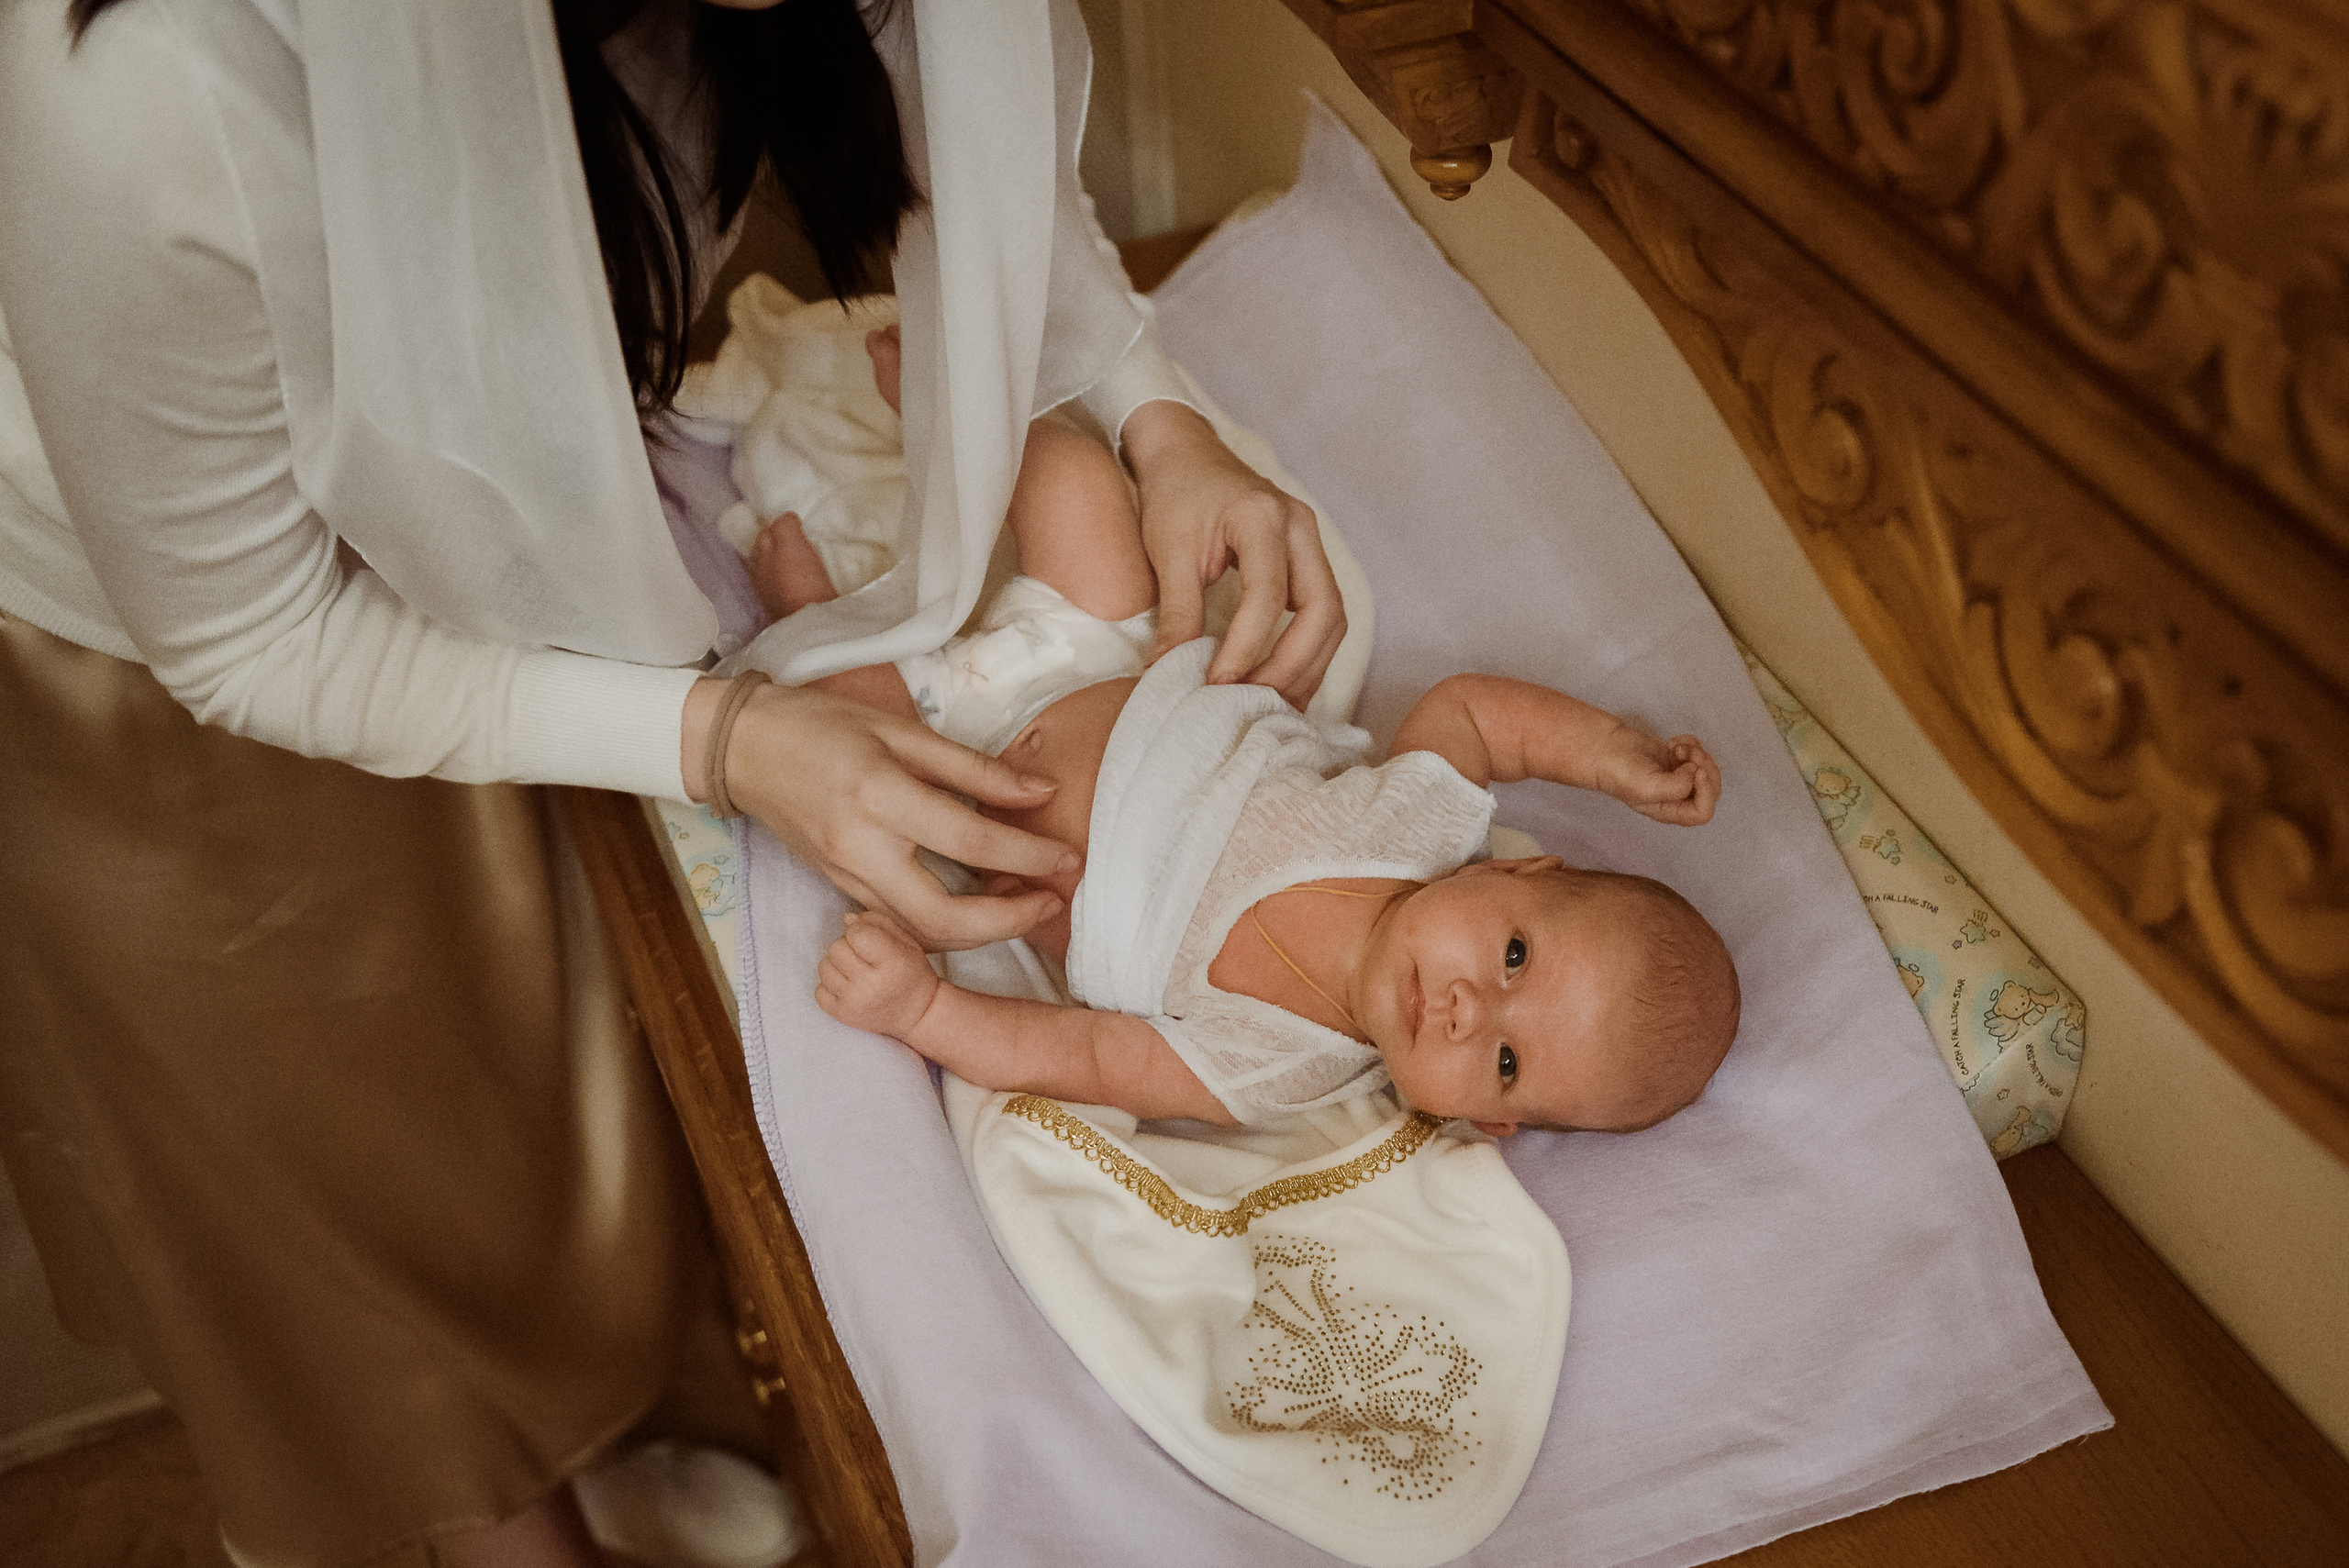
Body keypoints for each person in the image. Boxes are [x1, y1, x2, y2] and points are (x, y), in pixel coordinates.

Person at [0, 2, 1346, 1565]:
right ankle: (489, 1508)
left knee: (538, 1062)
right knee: (331, 1158)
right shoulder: (153, 87)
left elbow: (969, 135)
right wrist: (730, 735)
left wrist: (1161, 418)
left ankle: (572, 1417)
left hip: (499, 542)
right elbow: (249, 635)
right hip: (150, 641)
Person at [751, 328, 1742, 1136]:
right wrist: (1612, 753)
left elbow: (1093, 1057)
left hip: (964, 788)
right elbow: (1480, 713)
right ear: (1513, 874)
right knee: (1076, 484)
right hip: (1107, 650)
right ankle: (945, 389)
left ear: (1486, 1121)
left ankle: (801, 598)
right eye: (1515, 956)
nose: (1466, 1008)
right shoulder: (1421, 830)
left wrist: (921, 1010)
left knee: (855, 758)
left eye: (1507, 1060)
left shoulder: (1282, 1066)